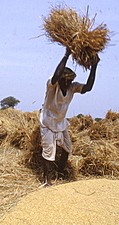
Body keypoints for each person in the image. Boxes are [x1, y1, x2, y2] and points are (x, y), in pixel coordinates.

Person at [39, 47, 99, 186]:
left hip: (60, 122)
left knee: (67, 148)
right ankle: (46, 179)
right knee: (48, 151)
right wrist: (66, 54)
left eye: (68, 81)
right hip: (47, 121)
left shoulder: (72, 87)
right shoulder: (52, 85)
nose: (66, 83)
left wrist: (94, 66)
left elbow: (88, 87)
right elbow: (56, 75)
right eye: (63, 80)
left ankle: (60, 173)